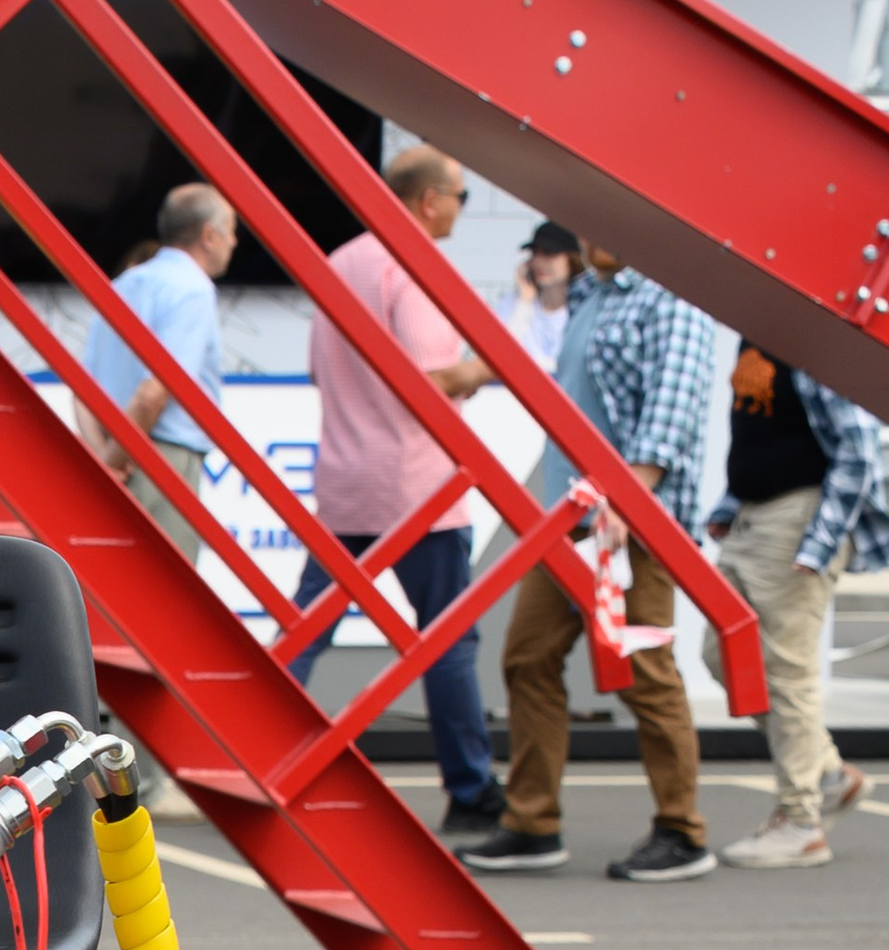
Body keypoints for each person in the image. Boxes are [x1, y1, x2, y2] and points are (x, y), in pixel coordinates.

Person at [458, 239, 718, 884]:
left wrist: (631, 503)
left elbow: (671, 411)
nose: (586, 239)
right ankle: (532, 821)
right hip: (570, 519)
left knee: (645, 672)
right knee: (527, 656)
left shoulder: (670, 295)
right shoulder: (590, 296)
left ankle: (682, 830)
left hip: (630, 525)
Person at [292, 144, 502, 837]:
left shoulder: (340, 261)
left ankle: (253, 749)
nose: (463, 212)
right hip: (419, 491)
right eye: (462, 198)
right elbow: (430, 380)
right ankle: (470, 790)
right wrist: (490, 364)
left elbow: (321, 373)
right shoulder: (411, 267)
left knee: (306, 632)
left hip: (346, 482)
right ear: (428, 200)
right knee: (449, 642)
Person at [704, 347, 886, 868]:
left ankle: (800, 820)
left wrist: (820, 541)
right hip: (753, 516)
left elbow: (860, 450)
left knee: (787, 671)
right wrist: (730, 503)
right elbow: (760, 429)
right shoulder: (756, 332)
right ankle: (825, 774)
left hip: (795, 518)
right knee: (722, 656)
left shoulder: (810, 338)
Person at [80, 181, 235, 542]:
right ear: (209, 235)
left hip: (110, 448)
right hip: (158, 459)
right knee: (164, 592)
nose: (235, 242)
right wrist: (113, 460)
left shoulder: (124, 282)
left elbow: (82, 389)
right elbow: (154, 394)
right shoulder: (193, 289)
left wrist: (103, 457)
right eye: (232, 232)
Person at [509, 220, 580, 374]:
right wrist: (524, 302)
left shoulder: (584, 305)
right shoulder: (517, 301)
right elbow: (502, 354)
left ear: (571, 259)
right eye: (535, 253)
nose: (538, 261)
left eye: (549, 253)